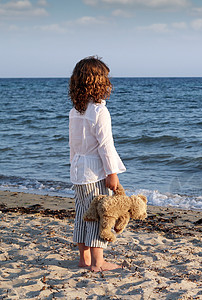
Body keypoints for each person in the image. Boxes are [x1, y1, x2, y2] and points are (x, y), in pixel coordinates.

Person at [68, 56, 126, 272]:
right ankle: (98, 262)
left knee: (82, 215)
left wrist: (72, 165)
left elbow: (73, 144)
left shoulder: (76, 111)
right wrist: (112, 172)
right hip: (94, 172)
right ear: (99, 83)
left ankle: (84, 260)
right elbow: (105, 145)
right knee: (97, 215)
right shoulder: (100, 111)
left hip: (78, 169)